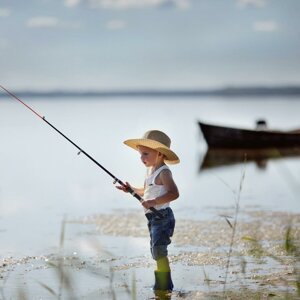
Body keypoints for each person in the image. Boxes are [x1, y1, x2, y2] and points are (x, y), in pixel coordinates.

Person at [116, 130, 180, 292]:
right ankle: (162, 286)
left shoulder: (164, 172)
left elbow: (174, 193)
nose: (141, 158)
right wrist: (130, 189)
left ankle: (164, 286)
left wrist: (154, 202)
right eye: (140, 154)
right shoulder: (150, 171)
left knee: (159, 251)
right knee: (155, 250)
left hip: (162, 216)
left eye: (145, 154)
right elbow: (145, 192)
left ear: (159, 153)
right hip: (153, 218)